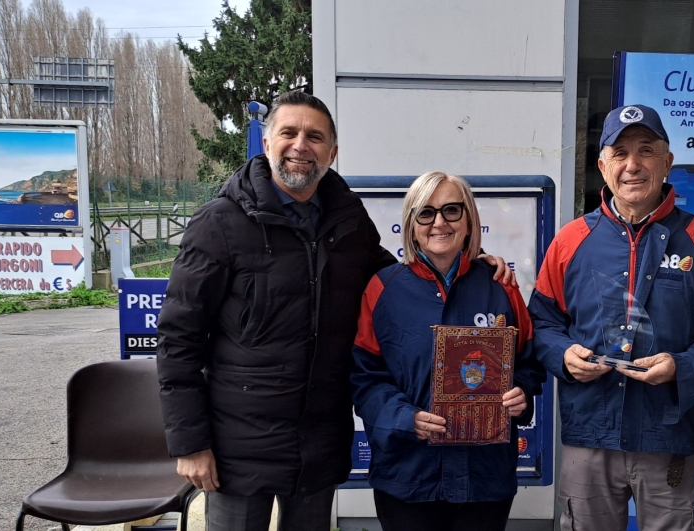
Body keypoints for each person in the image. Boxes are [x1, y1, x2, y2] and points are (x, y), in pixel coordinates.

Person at [156, 92, 513, 531]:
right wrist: (190, 443)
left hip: (318, 442)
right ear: (267, 143)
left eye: (315, 136)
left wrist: (473, 267)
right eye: (288, 132)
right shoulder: (219, 223)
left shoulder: (347, 218)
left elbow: (402, 281)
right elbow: (179, 339)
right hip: (239, 445)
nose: (300, 145)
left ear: (332, 151)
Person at [529, 104, 694, 531]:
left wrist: (682, 367)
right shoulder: (570, 240)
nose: (632, 165)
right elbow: (541, 323)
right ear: (603, 167)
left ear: (667, 162)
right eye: (619, 153)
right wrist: (562, 355)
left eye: (646, 150)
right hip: (589, 433)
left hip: (670, 436)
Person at [351, 171, 545, 531]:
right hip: (408, 475)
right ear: (412, 226)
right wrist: (404, 419)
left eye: (451, 210)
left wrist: (521, 393)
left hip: (484, 478)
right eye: (426, 213)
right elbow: (363, 378)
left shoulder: (500, 286)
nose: (439, 222)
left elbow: (529, 363)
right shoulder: (382, 290)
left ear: (469, 220)